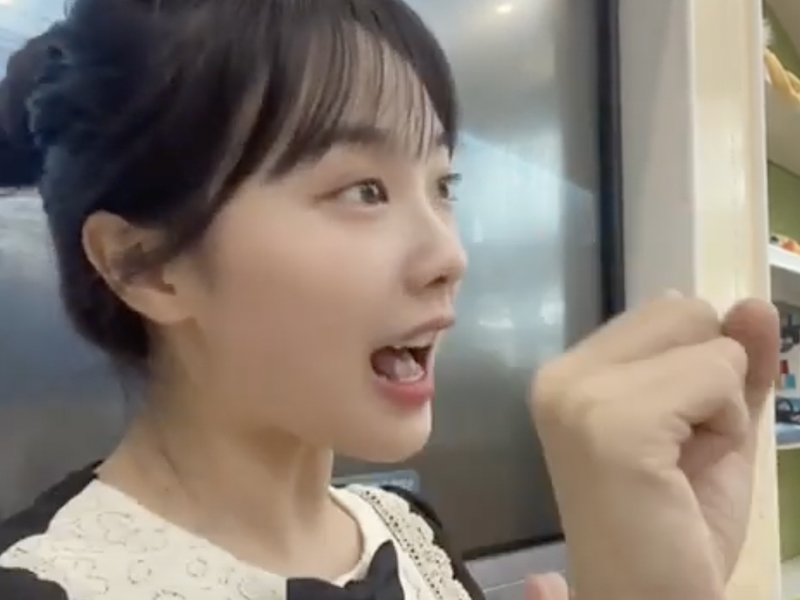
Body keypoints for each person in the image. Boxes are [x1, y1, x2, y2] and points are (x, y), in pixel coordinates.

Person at [0, 0, 780, 599]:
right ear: (144, 266)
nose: (451, 256)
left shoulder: (407, 534)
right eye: (363, 190)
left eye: (443, 185)